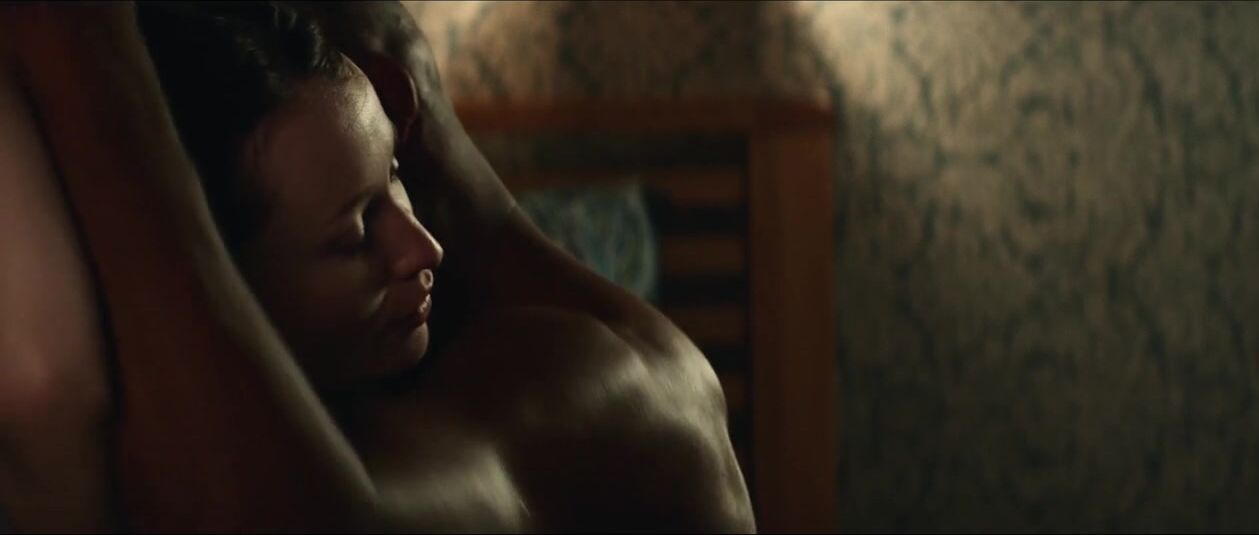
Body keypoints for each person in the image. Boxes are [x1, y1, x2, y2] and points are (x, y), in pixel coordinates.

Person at [1, 1, 755, 532]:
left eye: (395, 175)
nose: (425, 250)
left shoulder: (561, 384)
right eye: (353, 236)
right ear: (229, 282)